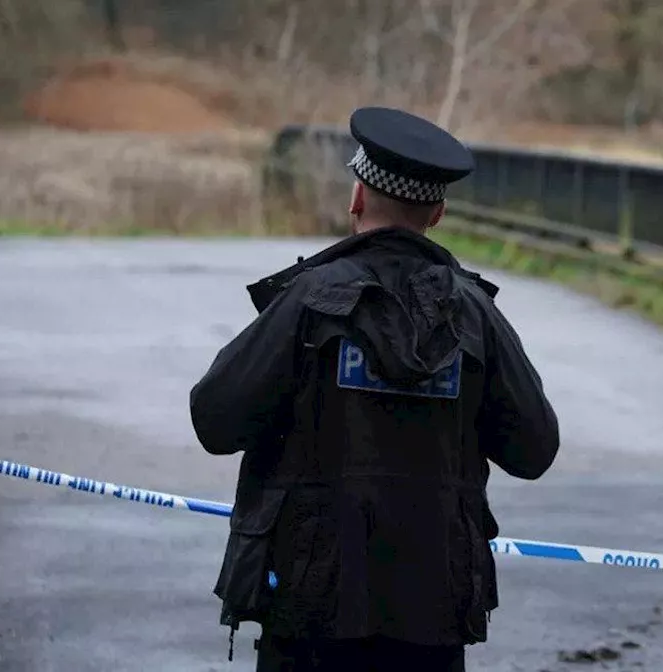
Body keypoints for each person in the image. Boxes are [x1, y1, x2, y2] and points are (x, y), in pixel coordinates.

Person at [188, 106, 560, 671]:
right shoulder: (476, 316)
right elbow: (534, 450)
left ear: (357, 197)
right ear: (437, 212)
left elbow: (214, 420)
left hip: (308, 607)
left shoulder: (306, 303)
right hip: (433, 611)